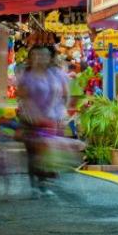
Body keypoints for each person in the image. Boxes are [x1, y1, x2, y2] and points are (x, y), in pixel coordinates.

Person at [16, 44, 69, 196]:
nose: (40, 59)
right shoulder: (26, 76)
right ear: (31, 58)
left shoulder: (56, 74)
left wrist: (63, 111)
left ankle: (44, 183)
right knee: (33, 153)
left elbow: (65, 93)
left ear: (49, 58)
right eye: (36, 55)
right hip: (31, 120)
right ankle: (35, 185)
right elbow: (23, 97)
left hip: (51, 119)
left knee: (47, 152)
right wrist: (33, 114)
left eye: (44, 56)